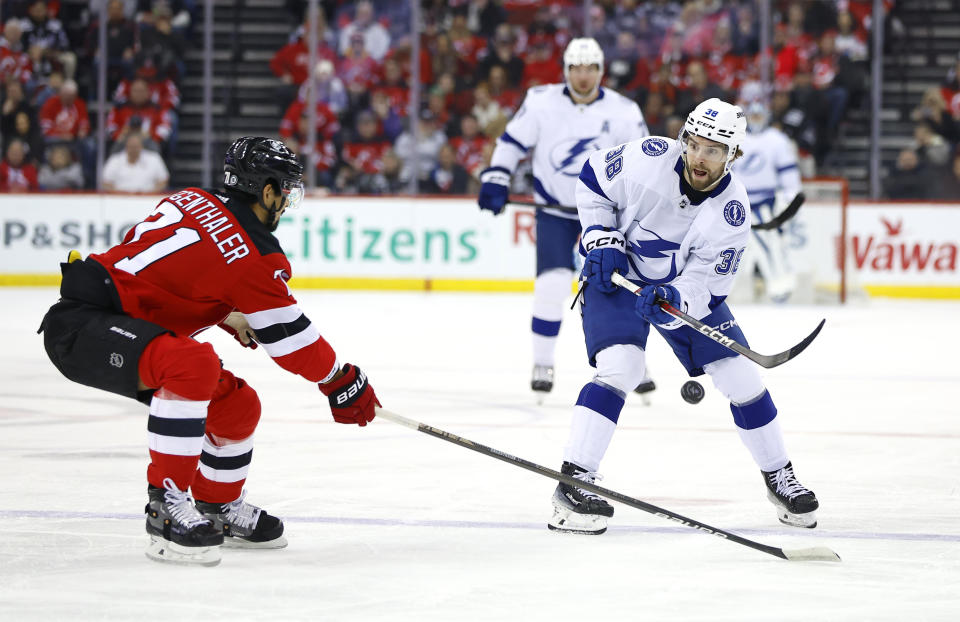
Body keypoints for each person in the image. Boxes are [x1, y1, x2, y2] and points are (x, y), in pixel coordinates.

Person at [39, 137, 382, 566]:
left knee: (238, 405)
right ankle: (165, 508)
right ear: (268, 190)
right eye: (286, 191)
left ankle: (216, 506)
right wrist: (341, 380)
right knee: (193, 363)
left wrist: (226, 315)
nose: (287, 202)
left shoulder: (192, 198)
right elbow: (290, 339)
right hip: (82, 328)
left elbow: (158, 270)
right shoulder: (254, 254)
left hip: (106, 317)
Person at [548, 98, 819, 535]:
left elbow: (708, 286)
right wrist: (600, 237)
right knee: (623, 366)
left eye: (713, 150)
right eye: (694, 144)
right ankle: (573, 481)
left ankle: (779, 476)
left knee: (741, 377)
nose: (699, 156)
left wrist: (675, 299)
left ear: (733, 156)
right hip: (616, 275)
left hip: (676, 291)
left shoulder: (732, 213)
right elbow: (593, 178)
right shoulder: (648, 157)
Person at [477, 37, 655, 398]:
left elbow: (645, 163)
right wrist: (497, 175)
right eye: (576, 68)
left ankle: (633, 361)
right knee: (552, 284)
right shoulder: (541, 101)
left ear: (601, 70)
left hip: (606, 212)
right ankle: (542, 361)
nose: (583, 75)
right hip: (555, 210)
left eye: (590, 68)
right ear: (566, 69)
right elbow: (511, 142)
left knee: (619, 285)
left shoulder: (624, 111)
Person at [730, 101, 803, 302]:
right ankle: (724, 293)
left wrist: (791, 198)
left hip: (766, 202)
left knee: (771, 248)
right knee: (732, 249)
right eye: (752, 116)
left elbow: (788, 173)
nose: (755, 120)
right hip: (737, 205)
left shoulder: (777, 140)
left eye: (758, 116)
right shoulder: (737, 139)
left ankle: (780, 288)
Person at [101, 132, 169, 193]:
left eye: (136, 147)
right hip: (120, 199)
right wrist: (120, 194)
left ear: (141, 146)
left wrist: (150, 194)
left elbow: (163, 180)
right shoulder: (115, 159)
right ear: (126, 146)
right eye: (131, 147)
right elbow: (106, 182)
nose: (134, 149)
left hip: (147, 199)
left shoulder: (154, 158)